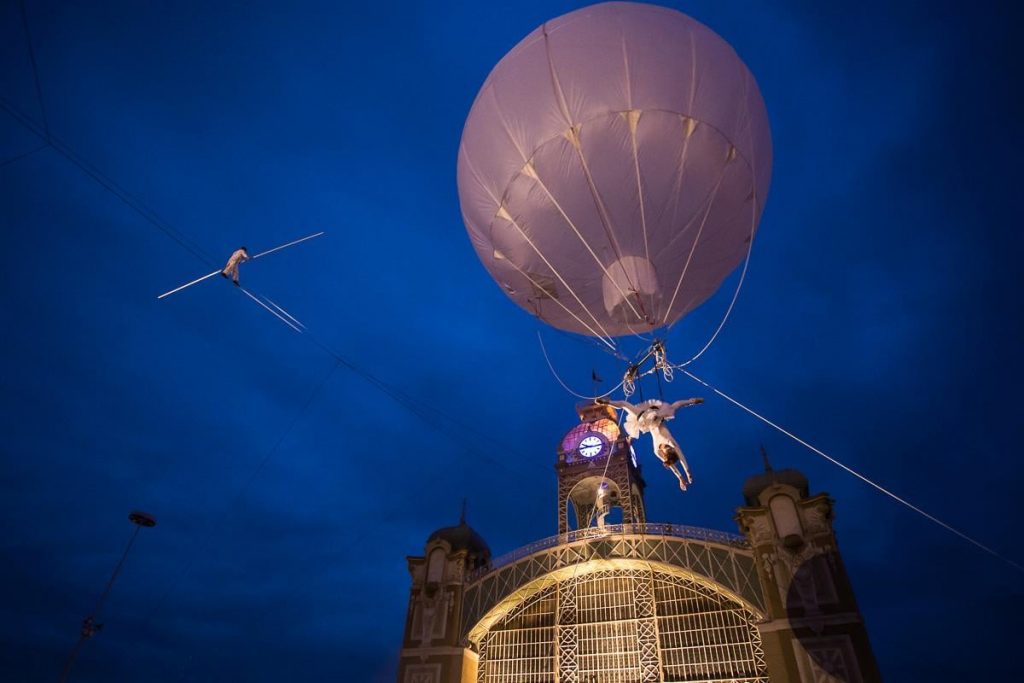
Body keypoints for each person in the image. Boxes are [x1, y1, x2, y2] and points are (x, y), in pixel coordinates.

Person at [597, 396, 704, 491]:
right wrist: (688, 473)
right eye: (670, 449)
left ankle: (607, 402)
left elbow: (672, 466)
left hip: (646, 419)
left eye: (668, 451)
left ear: (665, 454)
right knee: (675, 406)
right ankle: (691, 401)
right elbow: (681, 456)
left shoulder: (657, 451)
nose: (668, 448)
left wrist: (680, 478)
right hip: (657, 415)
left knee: (625, 405)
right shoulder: (669, 441)